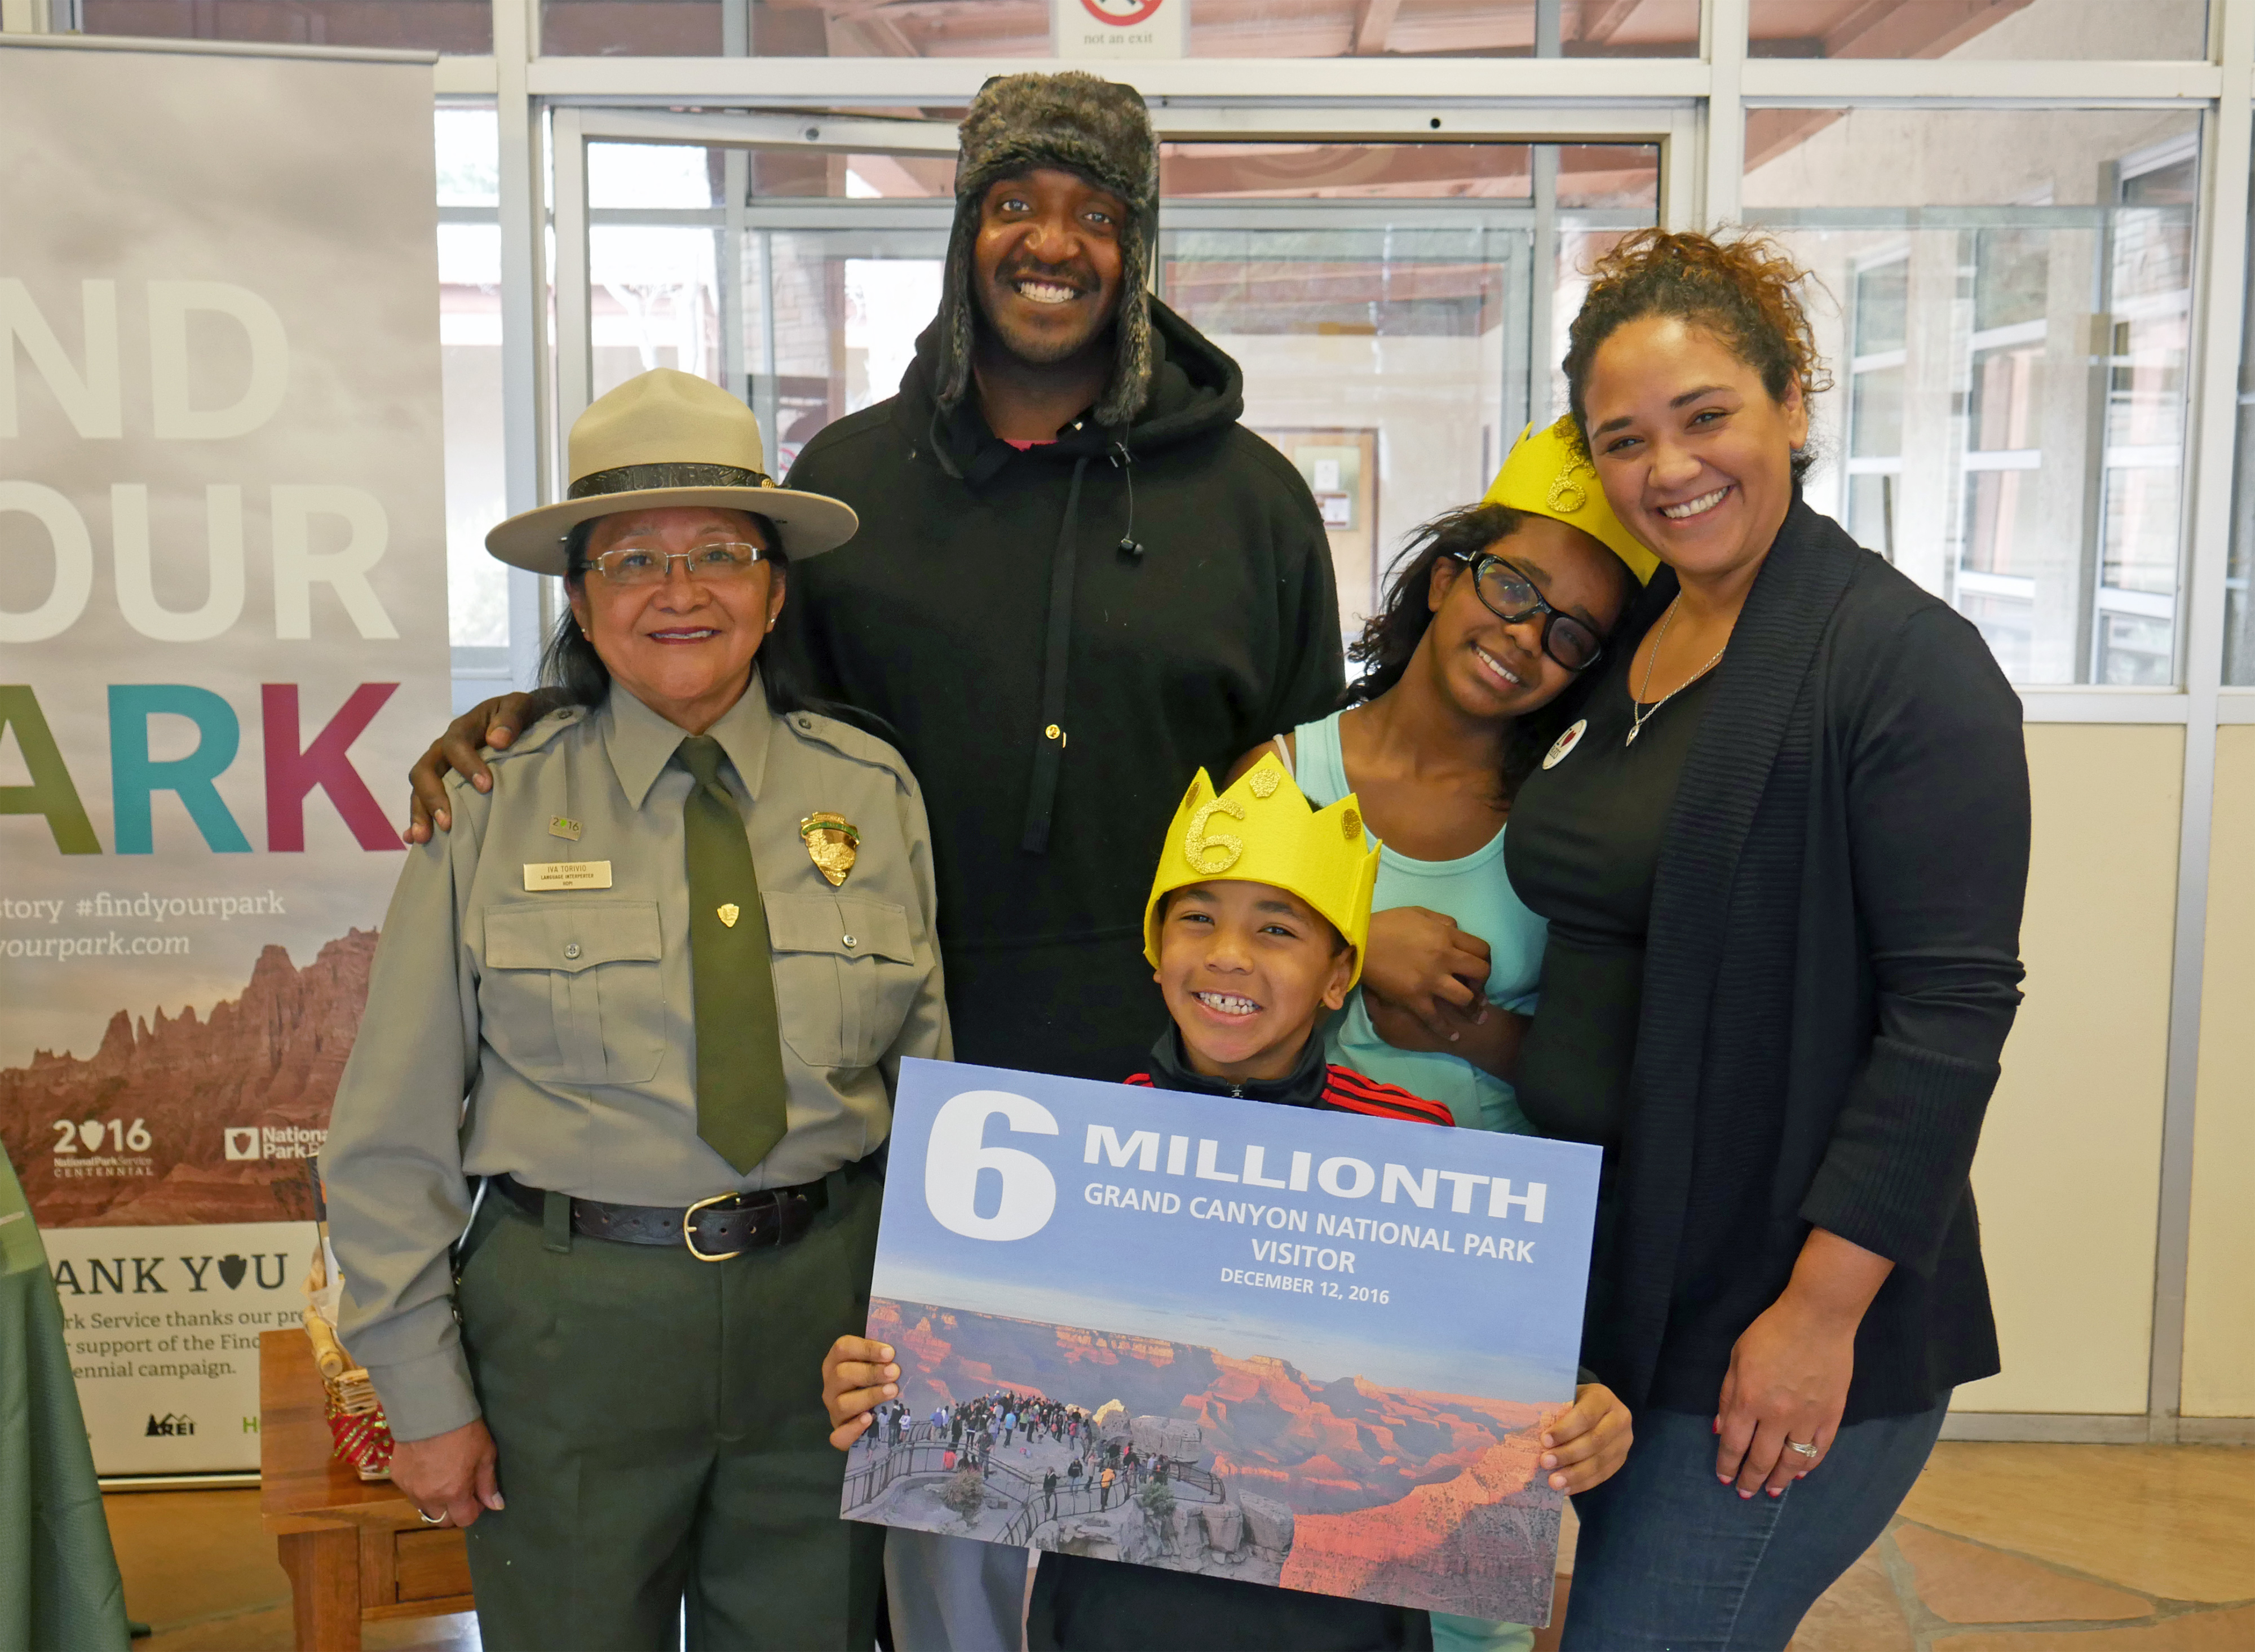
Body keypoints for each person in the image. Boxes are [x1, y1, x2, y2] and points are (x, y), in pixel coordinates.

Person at [405, 74, 1341, 1645]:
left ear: (1142, 245)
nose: (1055, 242)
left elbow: (1303, 799)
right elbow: (715, 686)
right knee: (924, 1548)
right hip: (905, 1114)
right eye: (1017, 204)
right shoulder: (853, 480)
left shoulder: (1251, 502)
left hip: (1168, 1104)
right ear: (965, 231)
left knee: (1174, 1528)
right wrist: (545, 708)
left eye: (1097, 214)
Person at [322, 368, 948, 1651]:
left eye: (721, 552)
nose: (680, 590)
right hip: (570, 1333)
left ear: (774, 590)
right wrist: (423, 1394)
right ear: (579, 600)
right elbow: (389, 1134)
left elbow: (931, 1108)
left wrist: (929, 1340)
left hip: (819, 1335)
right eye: (631, 559)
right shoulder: (487, 803)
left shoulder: (873, 793)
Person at [1502, 230, 2031, 1650]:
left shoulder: (1895, 659)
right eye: (1623, 439)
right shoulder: (1633, 648)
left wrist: (1816, 1311)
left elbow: (1951, 1012)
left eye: (1704, 417)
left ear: (1791, 401)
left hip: (1773, 1315)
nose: (1666, 468)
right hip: (1629, 1296)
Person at [824, 755, 1634, 1650]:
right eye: (1197, 919)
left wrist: (1587, 1409)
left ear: (1339, 977)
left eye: (1278, 930)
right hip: (1112, 1618)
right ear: (1156, 956)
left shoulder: (1418, 1150)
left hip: (1338, 1626)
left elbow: (1495, 1355)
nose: (1229, 955)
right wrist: (880, 1386)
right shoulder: (1065, 1159)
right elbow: (961, 1371)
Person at [1224, 425, 1650, 1652]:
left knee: (1464, 1598)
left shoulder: (1565, 820)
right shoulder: (1285, 775)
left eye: (1570, 631)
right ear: (1441, 575)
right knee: (1277, 1571)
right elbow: (1199, 1004)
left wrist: (1461, 1016)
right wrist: (1357, 928)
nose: (1525, 636)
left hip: (1484, 1268)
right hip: (1289, 1247)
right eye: (1512, 587)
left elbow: (1594, 1060)